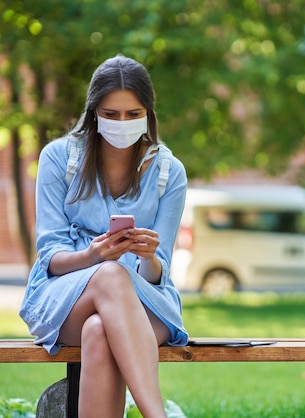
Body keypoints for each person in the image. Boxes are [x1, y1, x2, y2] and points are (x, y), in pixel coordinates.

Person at [19, 55, 188, 418]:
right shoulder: (58, 158)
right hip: (66, 300)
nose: (122, 123)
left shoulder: (169, 172)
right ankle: (156, 415)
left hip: (146, 303)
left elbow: (160, 274)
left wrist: (149, 256)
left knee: (100, 331)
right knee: (110, 275)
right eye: (111, 114)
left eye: (132, 114)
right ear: (93, 112)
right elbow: (51, 256)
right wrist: (95, 256)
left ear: (148, 114)